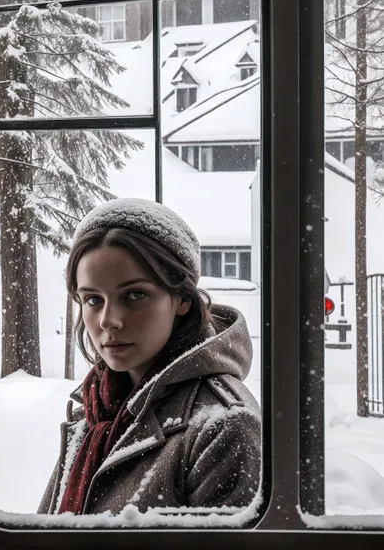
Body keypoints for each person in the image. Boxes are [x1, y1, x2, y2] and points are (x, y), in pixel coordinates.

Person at [38, 198, 261, 516]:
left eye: (135, 295)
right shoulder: (95, 411)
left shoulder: (224, 425)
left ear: (182, 299)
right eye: (93, 299)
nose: (108, 320)